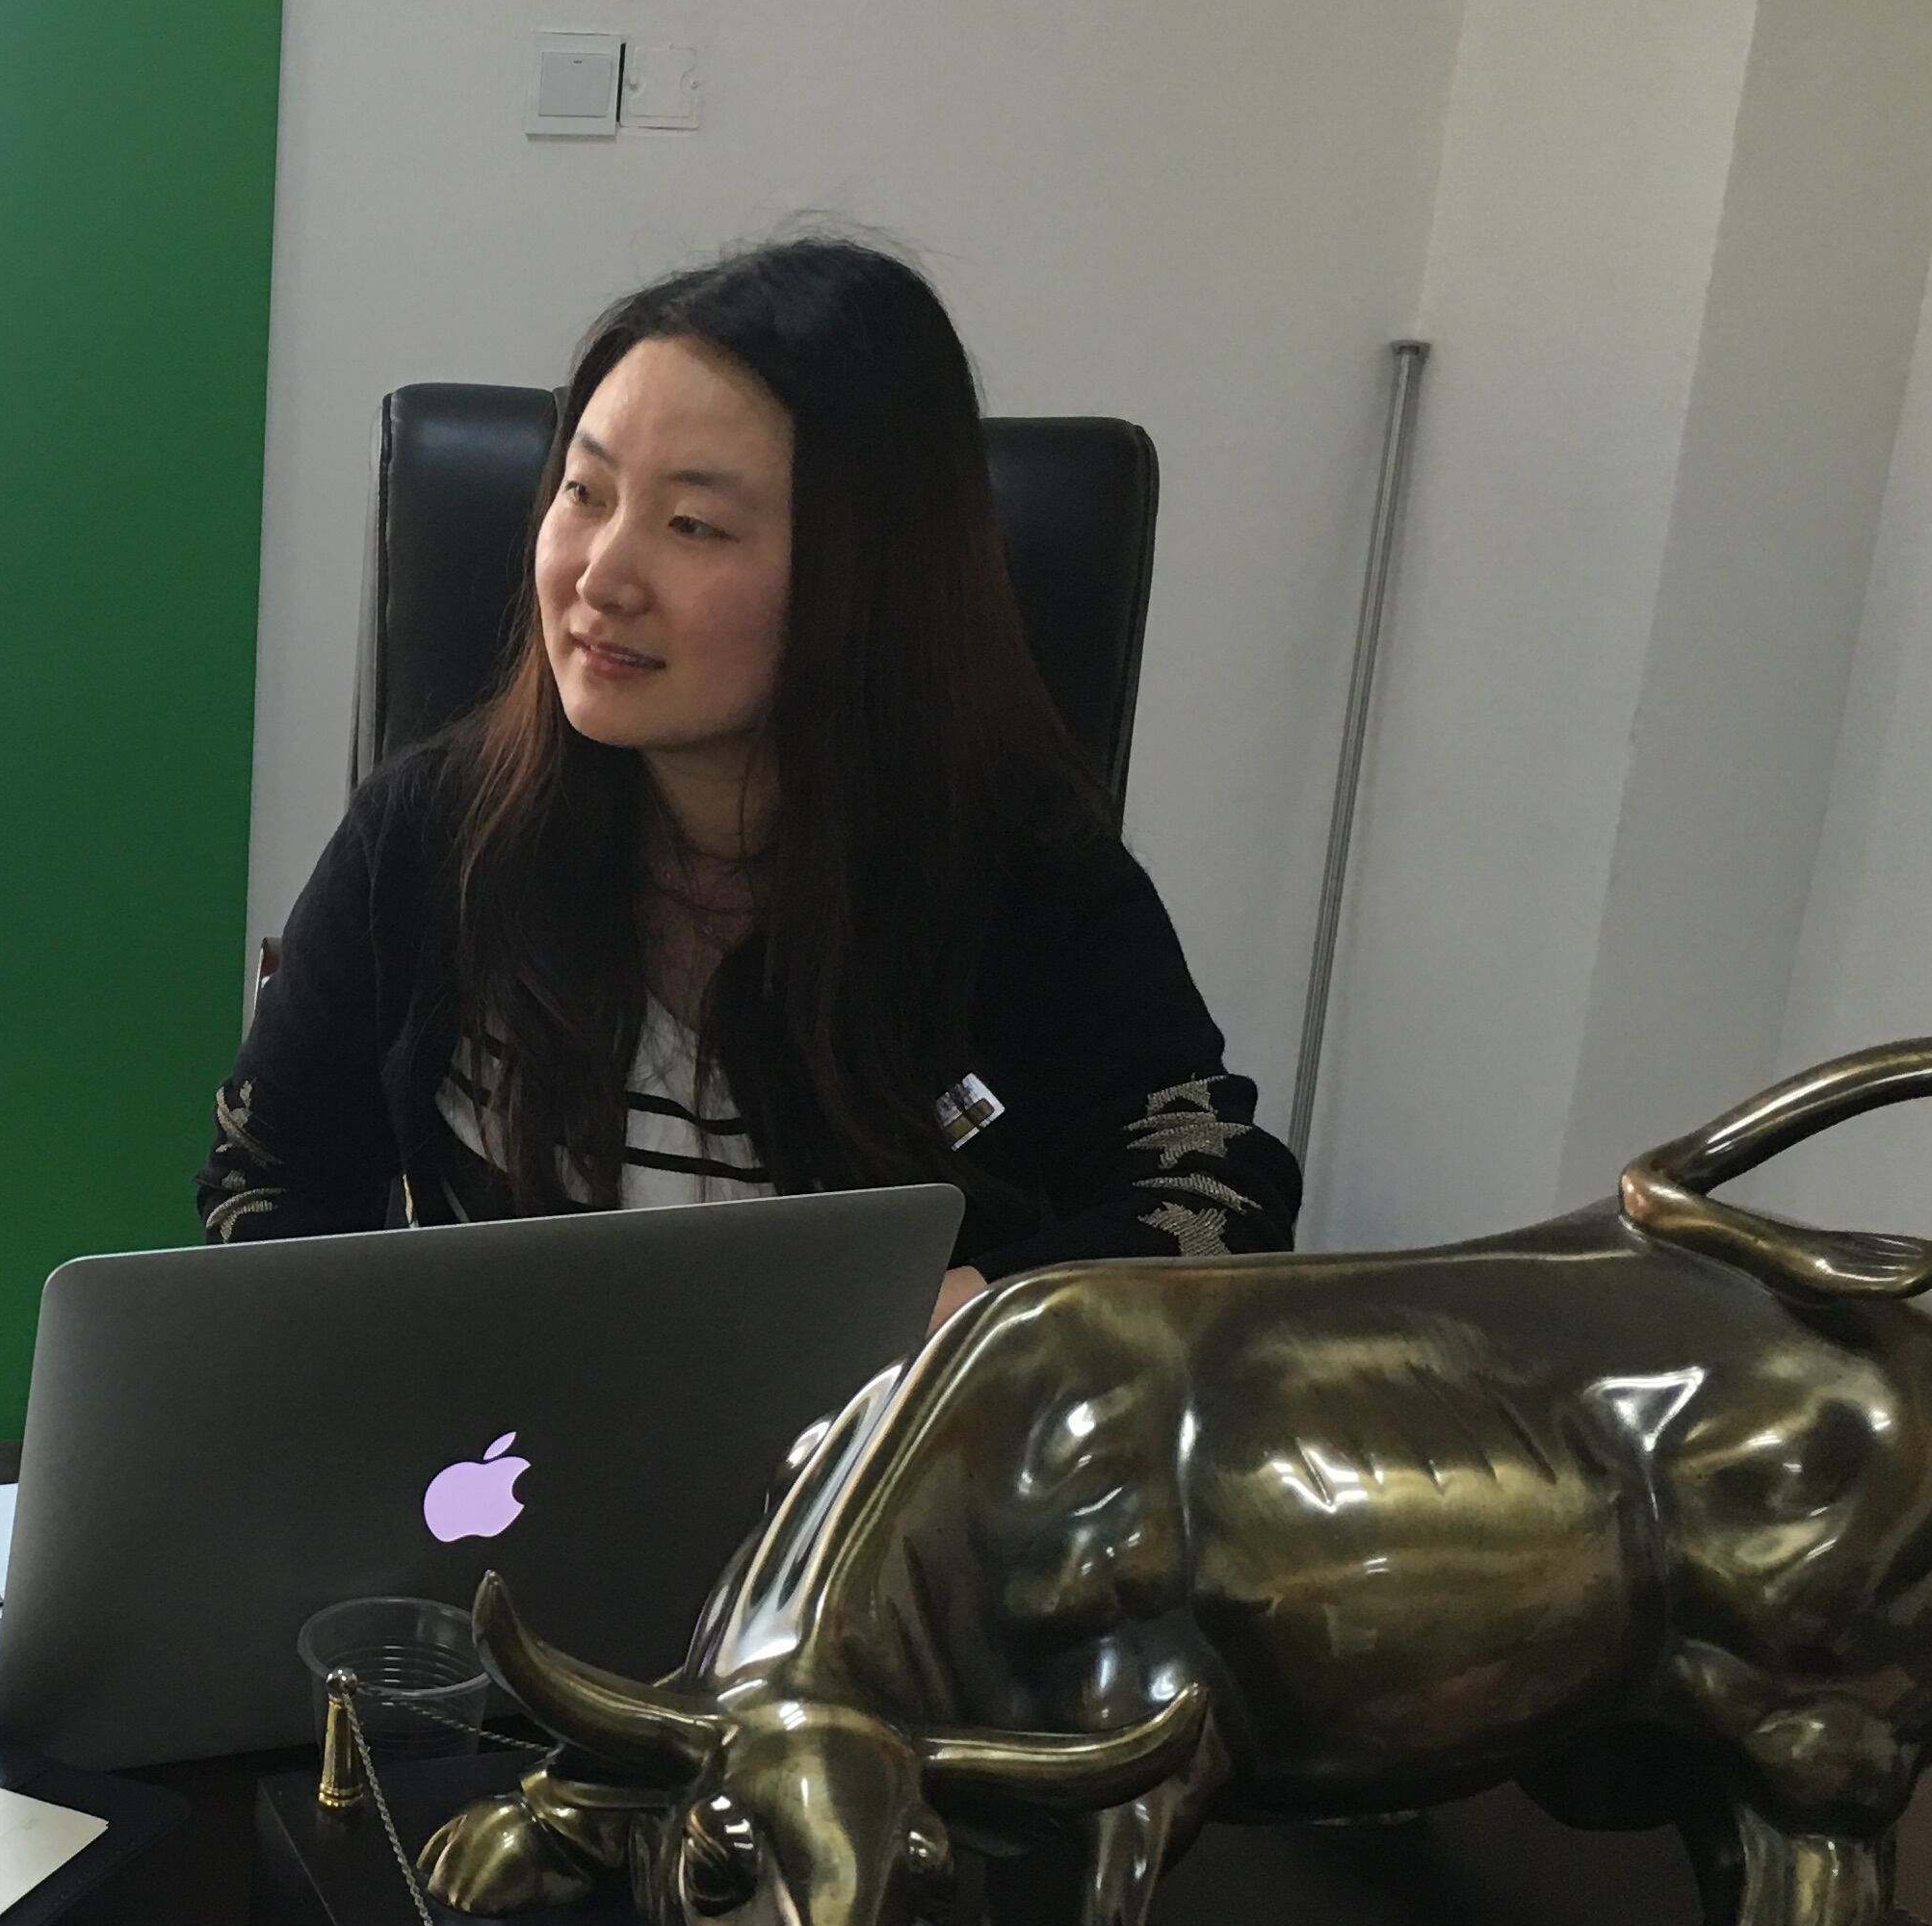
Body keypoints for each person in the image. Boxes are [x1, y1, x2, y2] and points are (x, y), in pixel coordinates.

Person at [198, 237, 1297, 1299]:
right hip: (494, 1427)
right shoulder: (433, 831)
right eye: (584, 492)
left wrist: (961, 1317)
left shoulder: (1026, 875)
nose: (601, 577)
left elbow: (1215, 1198)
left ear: (863, 579)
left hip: (875, 1427)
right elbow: (262, 1180)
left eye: (693, 524)